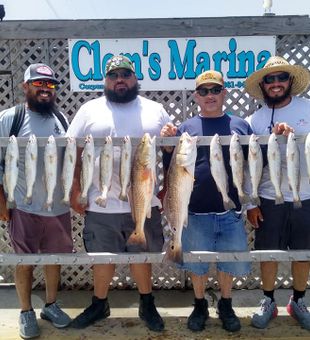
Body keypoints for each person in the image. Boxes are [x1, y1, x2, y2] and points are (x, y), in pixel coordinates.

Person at [68, 55, 171, 332]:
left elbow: (171, 150)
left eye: (126, 74)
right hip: (101, 204)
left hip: (143, 201)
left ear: (135, 78)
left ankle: (147, 304)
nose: (120, 80)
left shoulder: (155, 110)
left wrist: (168, 187)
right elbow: (73, 150)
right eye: (114, 75)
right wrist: (75, 188)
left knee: (142, 257)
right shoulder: (89, 110)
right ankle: (99, 303)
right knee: (102, 259)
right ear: (106, 80)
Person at [161, 70, 251, 332]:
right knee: (196, 263)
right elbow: (172, 168)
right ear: (195, 97)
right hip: (195, 211)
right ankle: (199, 303)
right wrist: (168, 146)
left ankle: (226, 303)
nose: (209, 96)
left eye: (214, 90)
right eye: (203, 91)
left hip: (230, 210)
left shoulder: (241, 125)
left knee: (228, 261)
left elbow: (254, 164)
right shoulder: (185, 128)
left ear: (224, 93)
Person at [0, 63, 72, 339]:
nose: (45, 89)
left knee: (53, 260)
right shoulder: (10, 118)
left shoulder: (62, 119)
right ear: (26, 86)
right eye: (39, 84)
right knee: (25, 261)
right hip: (23, 206)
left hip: (58, 207)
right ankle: (26, 311)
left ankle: (51, 305)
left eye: (50, 85)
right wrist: (1, 200)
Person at [245, 56, 310, 330]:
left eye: (281, 77)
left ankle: (299, 300)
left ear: (290, 81)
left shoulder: (308, 108)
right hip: (269, 198)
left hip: (306, 196)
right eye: (269, 79)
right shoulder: (254, 120)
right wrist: (251, 201)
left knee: (302, 252)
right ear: (263, 85)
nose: (275, 83)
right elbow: (247, 167)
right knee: (268, 252)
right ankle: (268, 300)